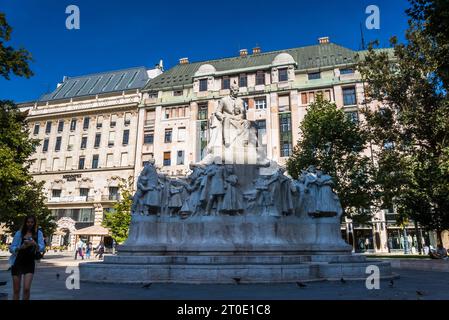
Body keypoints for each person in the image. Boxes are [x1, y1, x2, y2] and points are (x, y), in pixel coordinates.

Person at [8, 215, 45, 300]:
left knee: (26, 289)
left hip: (29, 263)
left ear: (34, 223)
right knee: (16, 290)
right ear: (25, 223)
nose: (30, 224)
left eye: (32, 222)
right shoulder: (19, 233)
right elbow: (12, 248)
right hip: (17, 262)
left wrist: (34, 244)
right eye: (28, 222)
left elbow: (42, 247)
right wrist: (21, 247)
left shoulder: (38, 233)